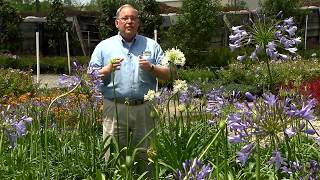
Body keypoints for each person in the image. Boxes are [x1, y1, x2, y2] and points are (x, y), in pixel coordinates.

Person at [88, 3, 171, 174]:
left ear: (138, 23)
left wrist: (152, 68)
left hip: (145, 108)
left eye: (133, 18)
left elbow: (168, 73)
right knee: (112, 154)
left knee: (147, 156)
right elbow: (90, 76)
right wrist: (107, 69)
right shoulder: (104, 46)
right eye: (125, 18)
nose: (129, 21)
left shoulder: (151, 45)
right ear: (117, 23)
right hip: (115, 108)